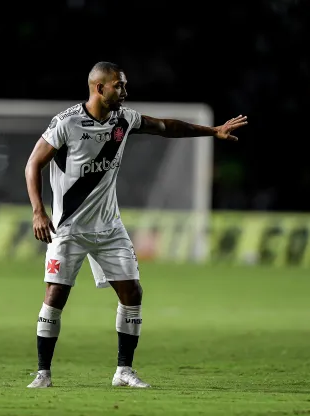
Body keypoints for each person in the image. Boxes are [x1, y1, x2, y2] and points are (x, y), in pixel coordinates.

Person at [24, 61, 247, 388]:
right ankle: (43, 373)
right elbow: (33, 165)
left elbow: (165, 127)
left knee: (132, 292)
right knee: (55, 295)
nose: (125, 92)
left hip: (109, 228)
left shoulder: (123, 120)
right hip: (68, 228)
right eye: (119, 86)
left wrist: (212, 132)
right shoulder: (66, 123)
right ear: (100, 88)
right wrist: (38, 211)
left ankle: (123, 371)